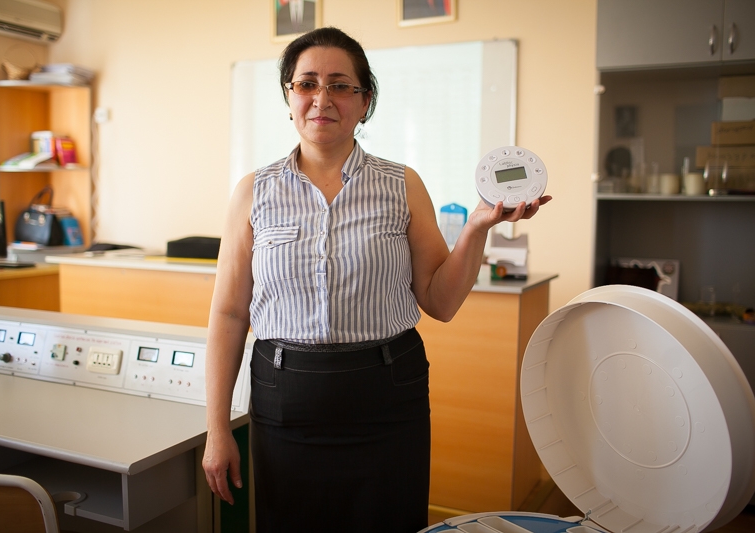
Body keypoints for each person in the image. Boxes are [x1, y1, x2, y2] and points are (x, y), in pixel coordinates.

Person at [202, 26, 551, 533]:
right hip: (285, 398)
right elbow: (230, 313)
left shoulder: (401, 184)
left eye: (341, 86)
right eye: (307, 84)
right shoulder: (253, 192)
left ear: (365, 101)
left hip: (386, 395)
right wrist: (217, 429)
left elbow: (441, 302)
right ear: (289, 96)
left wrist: (477, 227)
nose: (322, 99)